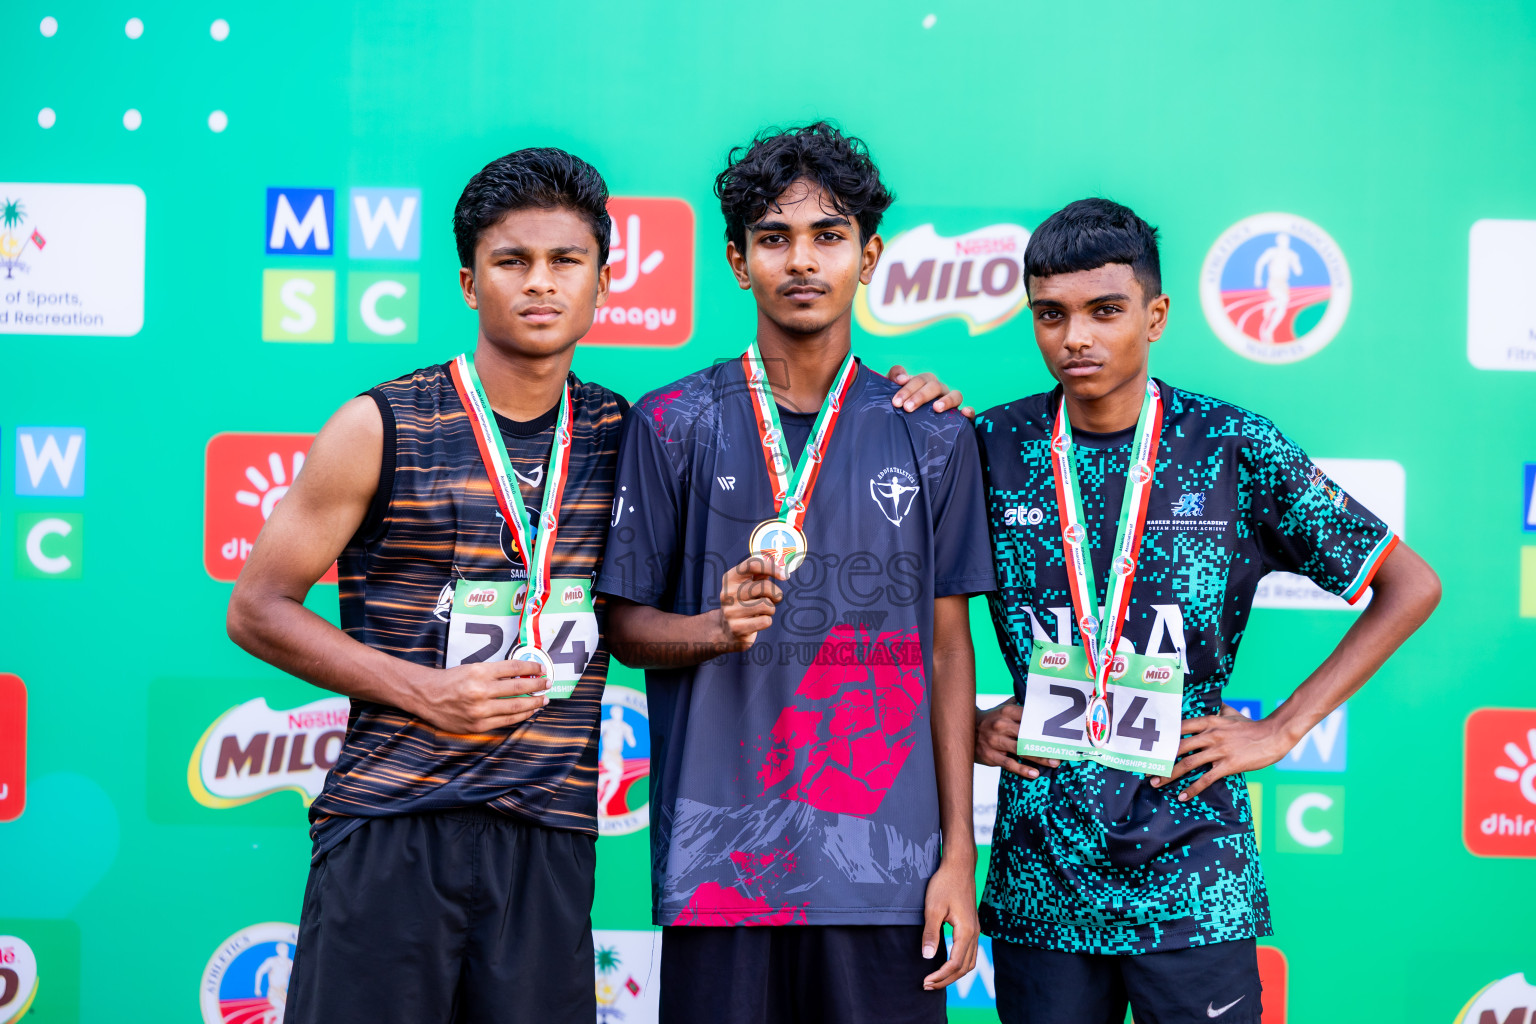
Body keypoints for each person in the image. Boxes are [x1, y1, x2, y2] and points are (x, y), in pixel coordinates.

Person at [226, 145, 965, 1024]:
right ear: (469, 282)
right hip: (396, 818)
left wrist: (912, 397)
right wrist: (427, 692)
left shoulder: (628, 428)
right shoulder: (386, 423)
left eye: (565, 261)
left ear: (603, 283)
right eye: (513, 262)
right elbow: (256, 607)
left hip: (552, 831)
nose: (540, 284)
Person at [972, 198, 1441, 1024]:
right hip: (1040, 871)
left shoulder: (1232, 446)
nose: (1075, 337)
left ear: (1155, 316)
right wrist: (970, 728)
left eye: (1104, 311)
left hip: (1194, 873)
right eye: (1051, 314)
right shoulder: (989, 448)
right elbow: (910, 616)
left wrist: (1285, 727)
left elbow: (1411, 585)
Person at [596, 122, 996, 1024]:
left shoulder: (932, 433)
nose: (802, 261)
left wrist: (958, 858)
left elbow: (945, 654)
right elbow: (623, 628)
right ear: (738, 262)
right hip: (719, 872)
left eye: (829, 235)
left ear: (871, 253)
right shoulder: (673, 423)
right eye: (774, 239)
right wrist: (711, 628)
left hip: (886, 870)